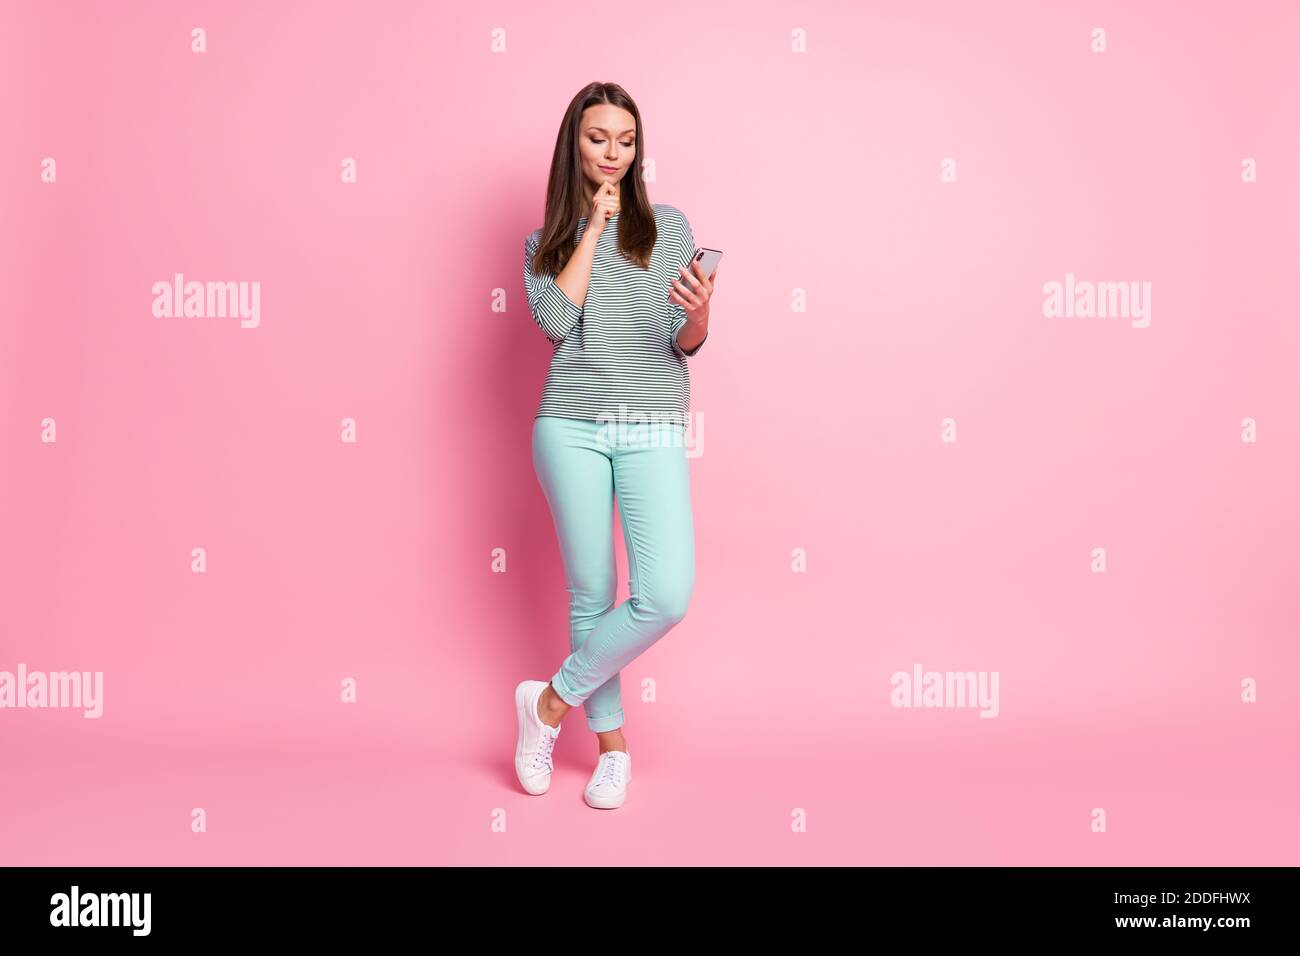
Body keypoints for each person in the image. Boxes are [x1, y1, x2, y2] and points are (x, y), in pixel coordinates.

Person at [515, 82, 718, 809]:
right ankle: (613, 752)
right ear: (575, 144)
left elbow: (681, 343)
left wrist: (698, 315)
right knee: (593, 593)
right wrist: (592, 231)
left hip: (651, 423)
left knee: (663, 595)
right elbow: (554, 323)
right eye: (599, 138)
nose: (613, 153)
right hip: (568, 425)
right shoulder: (547, 240)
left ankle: (546, 705)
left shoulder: (668, 226)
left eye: (626, 140)